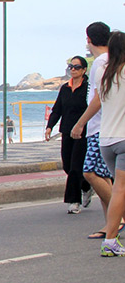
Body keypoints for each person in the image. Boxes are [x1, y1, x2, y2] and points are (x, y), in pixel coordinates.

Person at [71, 31, 125, 255]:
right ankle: (111, 242)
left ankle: (112, 235)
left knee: (119, 189)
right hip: (123, 139)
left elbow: (96, 103)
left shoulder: (105, 74)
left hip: (106, 141)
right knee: (120, 189)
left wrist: (80, 123)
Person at [45, 56, 91, 214]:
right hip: (66, 130)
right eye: (71, 66)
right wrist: (49, 126)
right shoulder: (65, 88)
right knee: (67, 166)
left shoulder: (89, 88)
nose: (73, 69)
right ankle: (86, 185)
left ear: (84, 70)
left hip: (83, 132)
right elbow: (57, 108)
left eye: (77, 67)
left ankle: (73, 201)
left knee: (76, 167)